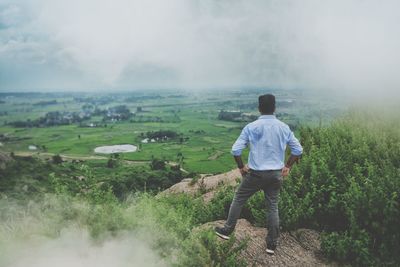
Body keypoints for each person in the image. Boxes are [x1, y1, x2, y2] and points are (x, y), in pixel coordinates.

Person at [215, 94, 303, 255]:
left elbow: (235, 150)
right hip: (276, 175)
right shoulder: (283, 127)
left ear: (259, 108)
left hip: (255, 175)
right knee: (272, 207)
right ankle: (271, 244)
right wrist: (288, 166)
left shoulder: (251, 127)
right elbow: (298, 149)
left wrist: (241, 167)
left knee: (239, 198)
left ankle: (227, 231)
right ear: (274, 108)